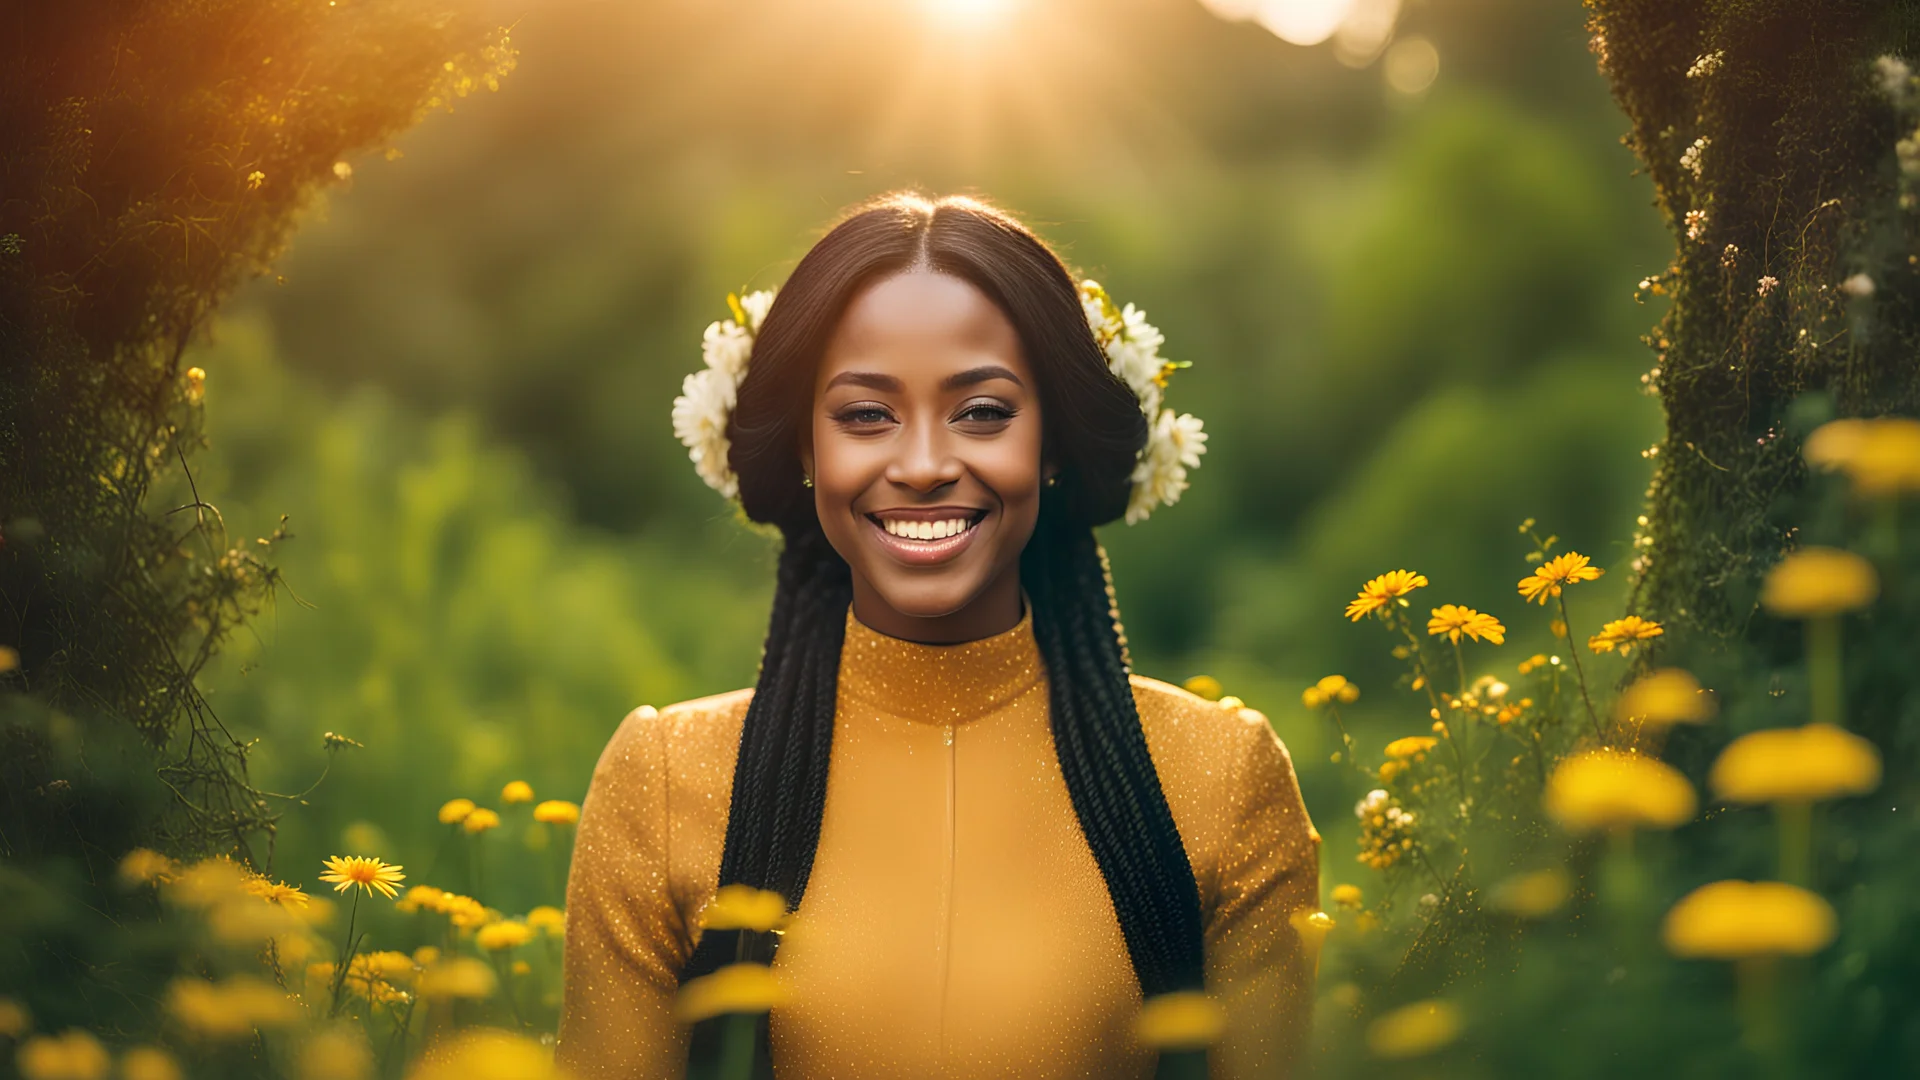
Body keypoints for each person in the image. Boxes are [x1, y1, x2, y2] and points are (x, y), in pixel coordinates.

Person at [557, 193, 1320, 1080]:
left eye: (984, 412)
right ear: (805, 450)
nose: (922, 465)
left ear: (1055, 444)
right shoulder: (663, 783)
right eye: (866, 415)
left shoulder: (1222, 784)